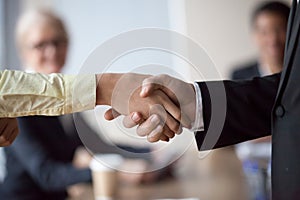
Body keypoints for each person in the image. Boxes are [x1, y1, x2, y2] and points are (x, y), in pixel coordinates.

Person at [122, 0, 300, 198]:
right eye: (264, 31)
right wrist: (189, 101)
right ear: (254, 35)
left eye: (280, 29)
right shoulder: (243, 74)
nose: (273, 39)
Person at [0, 9, 174, 199]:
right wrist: (114, 169)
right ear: (23, 52)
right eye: (40, 44)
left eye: (58, 42)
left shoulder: (66, 98)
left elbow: (97, 146)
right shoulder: (18, 102)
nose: (52, 51)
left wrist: (150, 152)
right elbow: (46, 173)